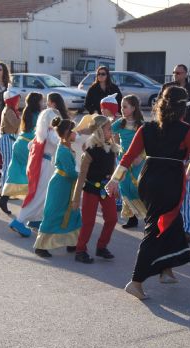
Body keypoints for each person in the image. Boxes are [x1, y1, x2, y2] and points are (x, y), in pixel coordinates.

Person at [106, 86, 190, 300]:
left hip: (148, 179)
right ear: (183, 109)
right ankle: (136, 281)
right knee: (155, 228)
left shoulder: (146, 129)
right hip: (168, 181)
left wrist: (115, 179)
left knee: (173, 223)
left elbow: (127, 157)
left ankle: (166, 269)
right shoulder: (186, 130)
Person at [158, 64, 190, 243]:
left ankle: (187, 229)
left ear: (185, 74)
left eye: (179, 73)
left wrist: (188, 122)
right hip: (168, 142)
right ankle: (164, 227)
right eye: (174, 72)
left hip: (183, 156)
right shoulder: (166, 88)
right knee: (165, 194)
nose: (175, 75)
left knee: (185, 194)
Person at [71, 115, 119, 264]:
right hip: (91, 189)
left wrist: (114, 189)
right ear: (99, 130)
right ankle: (80, 250)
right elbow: (82, 176)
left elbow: (112, 173)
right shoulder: (90, 151)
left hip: (106, 190)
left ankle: (101, 247)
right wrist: (76, 198)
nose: (111, 131)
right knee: (88, 222)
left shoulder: (112, 149)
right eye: (108, 129)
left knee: (112, 218)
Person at [33, 117, 82, 258]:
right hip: (60, 186)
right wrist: (83, 173)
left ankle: (72, 242)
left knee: (72, 213)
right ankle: (41, 246)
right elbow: (71, 172)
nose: (76, 134)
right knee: (54, 213)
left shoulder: (66, 147)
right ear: (67, 132)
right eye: (74, 132)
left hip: (67, 185)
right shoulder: (64, 150)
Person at [8, 107, 59, 237]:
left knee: (39, 194)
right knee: (39, 196)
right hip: (45, 165)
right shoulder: (51, 133)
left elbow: (29, 146)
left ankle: (36, 220)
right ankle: (19, 221)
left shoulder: (40, 132)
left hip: (37, 164)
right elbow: (60, 141)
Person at [111, 95, 146, 229]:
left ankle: (147, 216)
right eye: (121, 106)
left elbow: (147, 144)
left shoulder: (141, 125)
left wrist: (141, 157)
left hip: (138, 161)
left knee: (137, 188)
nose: (122, 109)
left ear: (134, 107)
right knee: (124, 188)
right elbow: (107, 131)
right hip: (123, 161)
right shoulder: (120, 123)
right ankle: (132, 218)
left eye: (125, 106)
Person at [1, 92, 43, 199]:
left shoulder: (26, 111)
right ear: (37, 102)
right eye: (41, 101)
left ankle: (3, 198)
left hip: (19, 143)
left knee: (15, 172)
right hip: (27, 146)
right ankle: (31, 198)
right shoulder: (38, 115)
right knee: (31, 172)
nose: (43, 103)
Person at [0, 85, 21, 214]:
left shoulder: (10, 109)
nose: (18, 102)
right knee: (7, 167)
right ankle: (3, 196)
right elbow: (16, 124)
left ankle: (3, 192)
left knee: (7, 166)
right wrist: (22, 119)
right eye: (16, 100)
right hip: (6, 139)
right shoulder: (9, 111)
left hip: (7, 139)